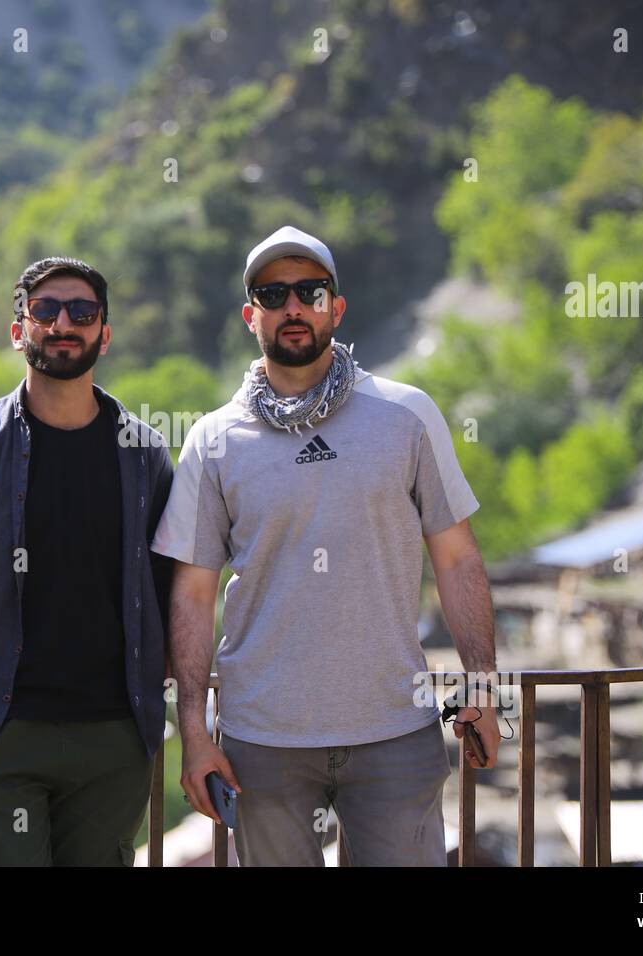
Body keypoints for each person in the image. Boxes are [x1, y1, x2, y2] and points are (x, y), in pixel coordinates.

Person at [153, 225, 500, 866]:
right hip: (262, 742)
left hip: (395, 729)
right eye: (273, 293)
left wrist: (482, 686)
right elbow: (193, 597)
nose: (293, 306)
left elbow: (458, 558)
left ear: (335, 309)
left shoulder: (407, 415)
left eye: (310, 291)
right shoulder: (212, 439)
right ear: (249, 313)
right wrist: (195, 735)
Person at [0, 256, 175, 866]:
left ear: (105, 332)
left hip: (113, 741)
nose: (64, 323)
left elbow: (169, 585)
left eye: (83, 312)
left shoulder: (144, 454)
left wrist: (160, 713)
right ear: (19, 330)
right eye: (45, 310)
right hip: (0, 736)